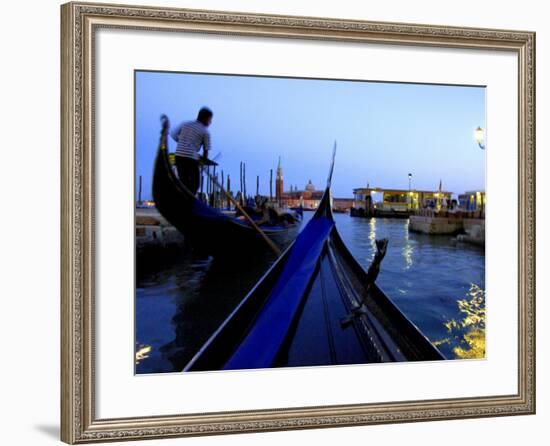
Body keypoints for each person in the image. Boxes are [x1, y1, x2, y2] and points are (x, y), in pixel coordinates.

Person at [170, 107, 213, 195]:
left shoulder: (185, 124)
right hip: (191, 158)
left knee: (184, 181)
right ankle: (188, 201)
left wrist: (183, 142)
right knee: (195, 184)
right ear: (205, 118)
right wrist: (203, 162)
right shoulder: (205, 132)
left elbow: (173, 135)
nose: (210, 122)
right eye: (209, 119)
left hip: (179, 156)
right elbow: (206, 150)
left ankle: (182, 199)